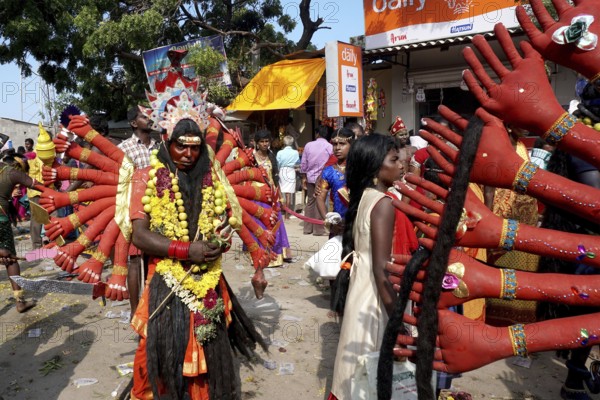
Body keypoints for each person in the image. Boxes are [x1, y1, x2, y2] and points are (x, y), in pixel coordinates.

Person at [129, 118, 265, 399]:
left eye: (195, 148)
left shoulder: (211, 177)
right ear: (168, 143)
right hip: (164, 276)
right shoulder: (147, 176)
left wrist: (221, 241)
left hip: (206, 275)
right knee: (153, 346)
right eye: (181, 147)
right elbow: (139, 237)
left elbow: (225, 224)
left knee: (206, 345)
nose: (188, 155)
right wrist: (185, 250)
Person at [329, 133, 408, 400]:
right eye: (394, 159)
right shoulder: (383, 204)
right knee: (369, 372)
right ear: (376, 167)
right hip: (374, 298)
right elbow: (381, 269)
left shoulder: (364, 196)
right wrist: (399, 321)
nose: (401, 165)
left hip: (360, 291)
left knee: (354, 371)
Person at [120, 105, 159, 315]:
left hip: (157, 208)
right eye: (145, 116)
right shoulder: (124, 148)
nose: (150, 119)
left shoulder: (159, 147)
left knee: (152, 257)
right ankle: (136, 313)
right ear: (134, 123)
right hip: (132, 208)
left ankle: (150, 306)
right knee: (134, 260)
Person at [0, 154, 37, 313]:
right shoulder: (11, 172)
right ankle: (19, 302)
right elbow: (38, 185)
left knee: (7, 256)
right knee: (11, 260)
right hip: (1, 222)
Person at [253, 129, 293, 264]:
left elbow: (275, 179)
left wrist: (280, 197)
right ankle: (259, 254)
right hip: (257, 196)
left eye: (267, 141)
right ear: (257, 143)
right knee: (259, 225)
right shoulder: (251, 157)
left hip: (271, 196)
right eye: (262, 142)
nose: (265, 144)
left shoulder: (271, 157)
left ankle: (276, 255)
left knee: (274, 223)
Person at [315, 128, 353, 233]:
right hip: (338, 225)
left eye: (342, 144)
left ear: (352, 145)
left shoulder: (361, 167)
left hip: (358, 224)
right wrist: (329, 221)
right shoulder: (328, 171)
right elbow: (320, 198)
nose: (337, 148)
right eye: (335, 144)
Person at [300, 125, 332, 236]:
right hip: (324, 178)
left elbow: (303, 163)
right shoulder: (329, 146)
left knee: (310, 202)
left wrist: (303, 177)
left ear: (317, 134)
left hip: (310, 177)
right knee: (321, 201)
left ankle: (307, 228)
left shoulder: (308, 145)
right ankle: (318, 229)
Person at [276, 135, 300, 220]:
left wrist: (278, 171)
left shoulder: (280, 152)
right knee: (289, 194)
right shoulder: (295, 152)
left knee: (281, 192)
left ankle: (283, 210)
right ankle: (287, 215)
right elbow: (298, 162)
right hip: (291, 171)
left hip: (282, 171)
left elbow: (278, 163)